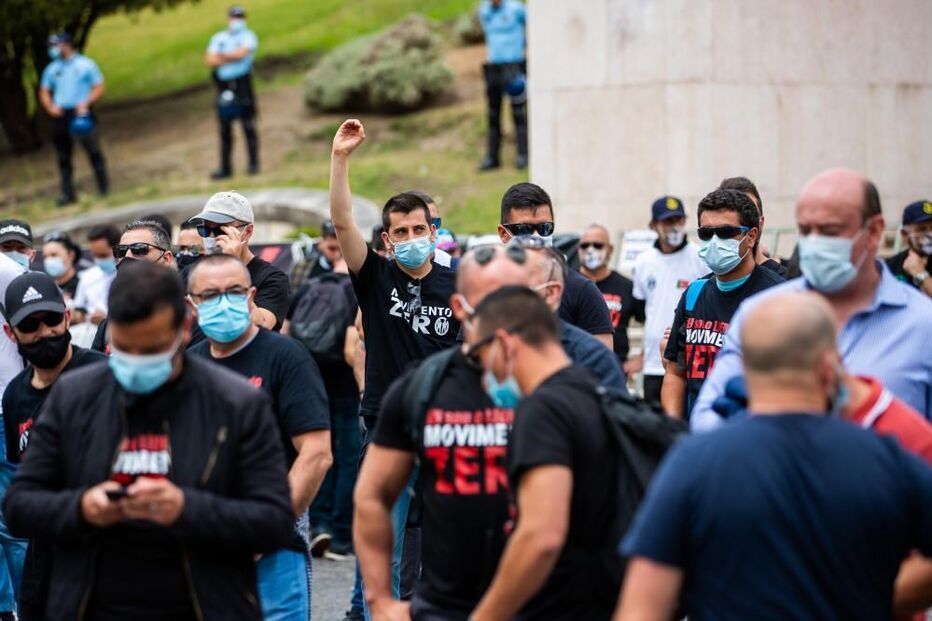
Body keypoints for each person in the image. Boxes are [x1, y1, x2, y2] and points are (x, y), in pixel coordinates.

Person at [2, 261, 293, 620]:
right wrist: (83, 507)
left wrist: (187, 508)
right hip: (92, 604)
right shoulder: (74, 398)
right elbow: (20, 505)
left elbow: (274, 519)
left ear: (185, 326)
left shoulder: (236, 404)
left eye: (154, 349)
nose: (139, 362)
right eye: (126, 349)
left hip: (205, 604)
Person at [616, 291, 932, 621]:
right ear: (829, 367)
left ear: (745, 368)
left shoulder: (695, 461)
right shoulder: (885, 456)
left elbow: (642, 607)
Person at [355, 245, 539, 621]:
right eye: (483, 298)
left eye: (508, 296)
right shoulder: (417, 388)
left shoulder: (553, 387)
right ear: (459, 306)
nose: (497, 310)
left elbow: (548, 533)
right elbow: (372, 501)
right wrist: (379, 601)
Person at [329, 119, 461, 619]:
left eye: (418, 230)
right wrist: (340, 159)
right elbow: (343, 223)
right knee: (382, 551)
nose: (410, 238)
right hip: (387, 427)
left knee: (451, 546)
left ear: (434, 232)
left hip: (450, 429)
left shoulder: (460, 285)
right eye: (400, 232)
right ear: (386, 239)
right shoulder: (375, 276)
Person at [692, 169, 932, 429]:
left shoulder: (923, 324)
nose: (815, 242)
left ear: (874, 231)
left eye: (830, 230)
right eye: (806, 230)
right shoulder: (759, 314)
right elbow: (707, 417)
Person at [188, 254, 331, 621]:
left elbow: (316, 453)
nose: (223, 302)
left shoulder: (285, 357)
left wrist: (264, 528)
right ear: (192, 303)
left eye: (234, 292)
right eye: (210, 294)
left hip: (274, 545)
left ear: (252, 296)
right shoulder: (186, 367)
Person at [468, 286, 620, 621]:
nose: (483, 378)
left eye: (480, 357)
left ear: (505, 343)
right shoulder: (590, 388)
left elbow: (541, 538)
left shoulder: (542, 410)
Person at [1, 272, 107, 620]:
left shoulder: (106, 375)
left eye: (50, 319)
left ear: (66, 316)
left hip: (111, 550)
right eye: (30, 325)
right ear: (10, 333)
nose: (44, 332)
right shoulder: (16, 395)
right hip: (48, 556)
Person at [661, 189, 784, 419]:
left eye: (726, 232)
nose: (715, 242)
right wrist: (672, 432)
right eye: (706, 233)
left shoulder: (777, 296)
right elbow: (675, 373)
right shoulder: (694, 293)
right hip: (699, 439)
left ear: (751, 236)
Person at [284, 258, 360, 561]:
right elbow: (353, 345)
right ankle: (342, 537)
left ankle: (319, 524)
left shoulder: (309, 287)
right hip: (347, 385)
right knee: (348, 459)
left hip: (313, 380)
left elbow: (286, 333)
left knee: (318, 451)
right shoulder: (357, 289)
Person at [497, 183, 614, 349]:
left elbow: (603, 363)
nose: (536, 236)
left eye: (544, 228)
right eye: (524, 229)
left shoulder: (581, 290)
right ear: (503, 234)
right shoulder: (489, 288)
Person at [631, 196, 707, 405]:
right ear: (654, 226)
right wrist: (642, 355)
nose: (674, 226)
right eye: (667, 221)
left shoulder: (700, 257)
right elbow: (641, 311)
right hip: (654, 365)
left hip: (688, 363)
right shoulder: (643, 262)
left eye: (679, 220)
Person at [189, 191, 290, 330]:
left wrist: (231, 266)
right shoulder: (193, 272)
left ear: (247, 231)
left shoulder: (273, 279)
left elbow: (261, 326)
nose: (212, 237)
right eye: (205, 230)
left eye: (220, 230)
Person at [39, 32, 108, 206]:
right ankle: (68, 193)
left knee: (92, 150)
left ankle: (103, 187)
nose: (53, 50)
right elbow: (44, 90)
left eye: (56, 45)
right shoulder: (52, 68)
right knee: (63, 155)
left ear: (67, 45)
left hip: (81, 111)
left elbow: (99, 86)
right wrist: (50, 107)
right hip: (62, 113)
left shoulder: (85, 65)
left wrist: (87, 102)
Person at [90, 220, 178, 354]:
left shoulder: (186, 318)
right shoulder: (108, 327)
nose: (127, 257)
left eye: (139, 249)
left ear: (166, 259)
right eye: (121, 251)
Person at [578, 224, 643, 371]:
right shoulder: (568, 282)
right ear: (578, 249)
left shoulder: (626, 286)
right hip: (576, 370)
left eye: (597, 245)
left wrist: (642, 359)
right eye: (585, 245)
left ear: (610, 249)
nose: (590, 250)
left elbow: (651, 321)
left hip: (615, 371)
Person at [206, 5, 260, 179]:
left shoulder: (248, 36)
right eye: (234, 17)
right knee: (224, 127)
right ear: (229, 18)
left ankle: (253, 164)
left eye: (240, 17)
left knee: (248, 125)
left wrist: (222, 57)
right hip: (223, 85)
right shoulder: (218, 37)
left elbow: (242, 54)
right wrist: (230, 56)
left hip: (243, 84)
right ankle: (225, 168)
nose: (237, 20)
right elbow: (210, 60)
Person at [478, 0, 528, 171]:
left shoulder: (517, 9)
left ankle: (523, 154)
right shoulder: (484, 10)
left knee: (518, 112)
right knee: (493, 114)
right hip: (494, 67)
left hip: (514, 66)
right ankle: (493, 157)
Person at [718, 176, 787, 276]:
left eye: (749, 213)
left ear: (761, 223)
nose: (740, 222)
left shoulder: (787, 284)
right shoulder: (702, 286)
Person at [72, 224, 119, 326]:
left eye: (103, 255)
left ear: (118, 249)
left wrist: (108, 318)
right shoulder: (86, 277)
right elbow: (79, 310)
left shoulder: (130, 275)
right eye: (95, 255)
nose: (98, 260)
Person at [886, 199, 932, 297]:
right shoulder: (891, 265)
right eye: (921, 229)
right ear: (904, 235)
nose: (930, 234)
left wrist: (920, 274)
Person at [289, 220, 342, 289]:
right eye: (332, 248)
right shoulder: (302, 266)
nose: (337, 254)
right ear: (321, 243)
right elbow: (294, 294)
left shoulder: (349, 270)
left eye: (343, 250)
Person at [41, 232, 82, 301]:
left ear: (71, 255)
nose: (49, 260)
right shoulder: (45, 291)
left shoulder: (84, 286)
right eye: (45, 257)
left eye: (54, 255)